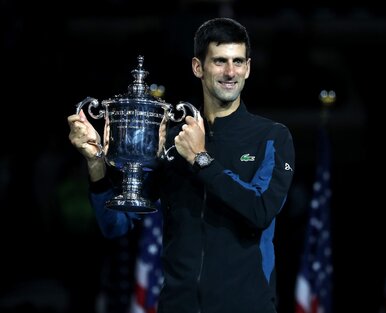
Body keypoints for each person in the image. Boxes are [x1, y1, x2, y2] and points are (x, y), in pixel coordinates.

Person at [67, 17, 295, 313]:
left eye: (238, 62)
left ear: (248, 68)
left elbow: (261, 210)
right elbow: (115, 225)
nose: (230, 72)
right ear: (198, 67)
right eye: (220, 61)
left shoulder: (272, 136)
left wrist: (201, 159)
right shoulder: (174, 141)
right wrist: (95, 162)